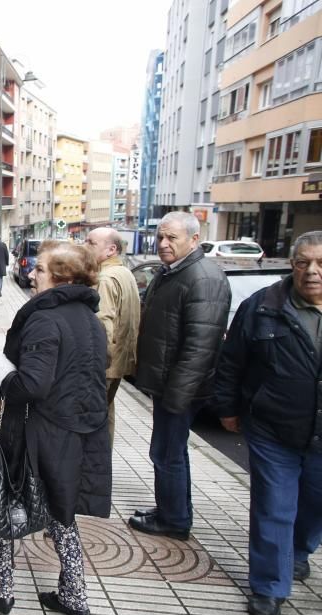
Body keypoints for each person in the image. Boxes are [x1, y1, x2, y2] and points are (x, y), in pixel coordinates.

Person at [0, 240, 110, 615]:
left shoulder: (46, 319)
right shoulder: (89, 319)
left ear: (63, 276)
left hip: (37, 431)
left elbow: (32, 384)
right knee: (61, 512)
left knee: (1, 495)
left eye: (42, 269)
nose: (33, 273)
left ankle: (0, 589)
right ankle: (74, 596)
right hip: (77, 431)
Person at [214, 230, 322, 615]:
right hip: (273, 428)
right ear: (292, 266)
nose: (312, 272)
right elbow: (232, 361)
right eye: (303, 263)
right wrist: (227, 406)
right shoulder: (262, 306)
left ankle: (297, 551)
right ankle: (269, 586)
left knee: (314, 504)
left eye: (320, 264)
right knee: (274, 506)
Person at [129, 212, 230, 541]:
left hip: (181, 389)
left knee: (166, 452)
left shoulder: (204, 278)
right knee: (170, 452)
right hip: (169, 384)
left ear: (194, 239)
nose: (163, 244)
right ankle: (172, 510)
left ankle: (174, 520)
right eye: (160, 237)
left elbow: (200, 347)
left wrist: (176, 395)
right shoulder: (173, 273)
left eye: (172, 238)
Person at [85, 227, 140, 443]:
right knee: (105, 415)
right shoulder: (125, 272)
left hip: (104, 365)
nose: (84, 246)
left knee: (92, 419)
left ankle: (93, 469)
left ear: (111, 250)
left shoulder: (105, 278)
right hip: (119, 361)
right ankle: (101, 466)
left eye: (91, 242)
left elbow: (102, 326)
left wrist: (93, 365)